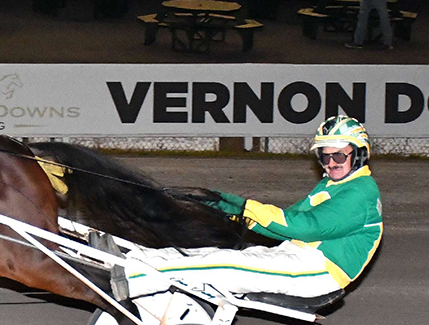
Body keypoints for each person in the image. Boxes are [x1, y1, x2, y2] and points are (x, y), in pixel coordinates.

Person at [104, 116, 383, 301]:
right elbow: (283, 225)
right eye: (325, 156)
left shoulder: (361, 192)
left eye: (338, 155)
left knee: (224, 265)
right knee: (209, 254)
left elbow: (303, 227)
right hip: (295, 255)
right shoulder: (333, 186)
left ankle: (133, 281)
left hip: (318, 273)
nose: (331, 163)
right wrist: (224, 206)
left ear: (358, 154)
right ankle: (133, 261)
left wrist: (246, 207)